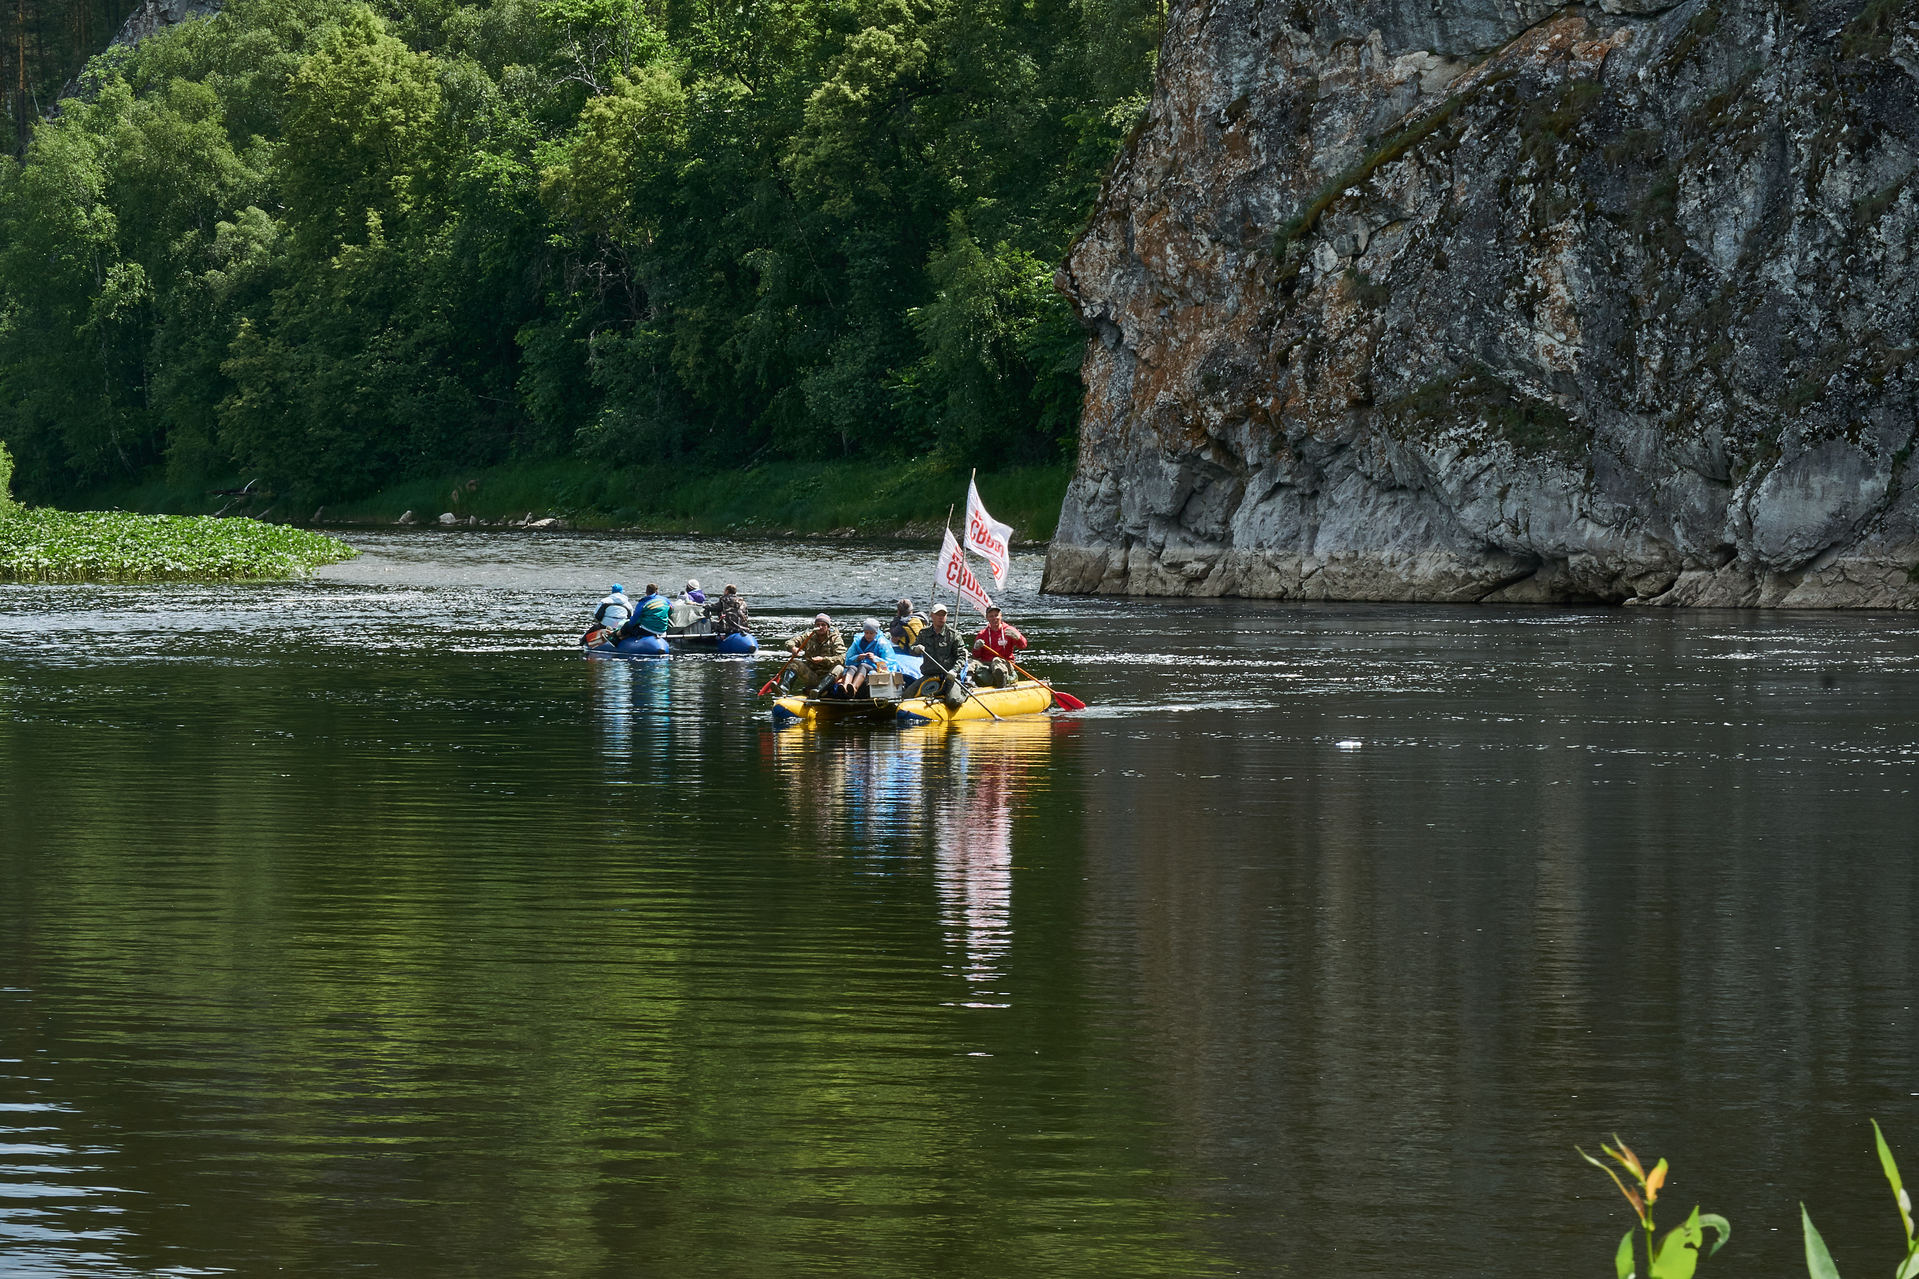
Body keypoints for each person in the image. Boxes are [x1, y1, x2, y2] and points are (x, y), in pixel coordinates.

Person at [909, 604, 965, 705]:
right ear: (932, 616)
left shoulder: (953, 635)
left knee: (954, 701)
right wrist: (916, 649)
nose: (941, 617)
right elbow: (912, 649)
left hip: (949, 676)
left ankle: (964, 692)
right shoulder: (924, 633)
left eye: (943, 614)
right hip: (929, 675)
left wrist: (954, 670)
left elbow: (961, 656)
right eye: (938, 614)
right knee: (907, 696)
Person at [832, 618, 899, 699]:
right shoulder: (858, 642)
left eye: (871, 633)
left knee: (863, 665)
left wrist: (875, 659)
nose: (868, 635)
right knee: (851, 667)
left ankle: (854, 688)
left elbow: (889, 663)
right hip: (858, 666)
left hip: (874, 668)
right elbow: (848, 660)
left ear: (876, 633)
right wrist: (857, 658)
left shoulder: (882, 643)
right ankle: (845, 687)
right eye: (866, 633)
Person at [782, 613, 846, 694]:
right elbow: (789, 642)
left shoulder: (835, 639)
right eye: (818, 625)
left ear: (828, 627)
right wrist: (793, 648)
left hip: (828, 676)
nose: (820, 627)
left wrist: (823, 660)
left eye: (823, 625)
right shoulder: (808, 636)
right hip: (812, 676)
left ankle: (818, 691)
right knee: (794, 663)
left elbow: (842, 658)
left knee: (839, 667)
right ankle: (784, 689)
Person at [970, 604, 1028, 687]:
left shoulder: (1009, 630)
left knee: (996, 660)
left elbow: (1023, 646)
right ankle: (969, 683)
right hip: (986, 664)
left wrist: (1019, 638)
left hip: (1005, 663)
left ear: (1001, 616)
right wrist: (976, 647)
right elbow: (976, 655)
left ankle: (1002, 683)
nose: (994, 618)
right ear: (987, 618)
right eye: (991, 616)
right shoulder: (982, 634)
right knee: (971, 662)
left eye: (996, 615)